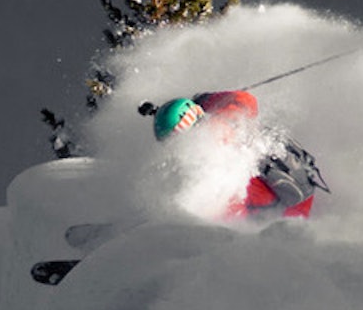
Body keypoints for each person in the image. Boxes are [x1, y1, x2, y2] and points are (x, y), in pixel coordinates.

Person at [137, 90, 328, 220]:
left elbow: (231, 218)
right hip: (298, 188)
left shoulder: (218, 166)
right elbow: (244, 99)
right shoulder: (225, 120)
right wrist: (206, 100)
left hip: (290, 211)